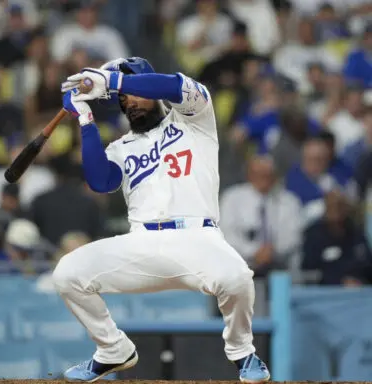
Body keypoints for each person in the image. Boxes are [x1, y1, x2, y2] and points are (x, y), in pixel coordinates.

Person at [36, 57, 270, 382]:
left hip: (197, 238)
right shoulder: (122, 146)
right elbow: (100, 182)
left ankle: (242, 352)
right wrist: (86, 118)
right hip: (142, 242)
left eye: (135, 92)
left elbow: (172, 84)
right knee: (67, 274)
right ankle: (112, 349)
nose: (130, 102)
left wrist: (114, 82)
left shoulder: (195, 116)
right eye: (123, 100)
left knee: (237, 279)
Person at [220, 156, 303, 276]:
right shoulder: (232, 198)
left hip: (278, 267)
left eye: (268, 174)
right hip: (241, 268)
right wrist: (253, 251)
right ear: (249, 175)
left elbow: (293, 236)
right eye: (258, 174)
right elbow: (226, 234)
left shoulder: (289, 201)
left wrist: (272, 251)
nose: (263, 179)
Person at [302, 190, 372, 285]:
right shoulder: (314, 234)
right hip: (325, 291)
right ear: (326, 208)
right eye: (332, 206)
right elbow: (309, 269)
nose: (336, 210)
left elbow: (366, 264)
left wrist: (357, 279)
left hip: (358, 288)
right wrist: (340, 280)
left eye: (340, 206)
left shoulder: (355, 233)